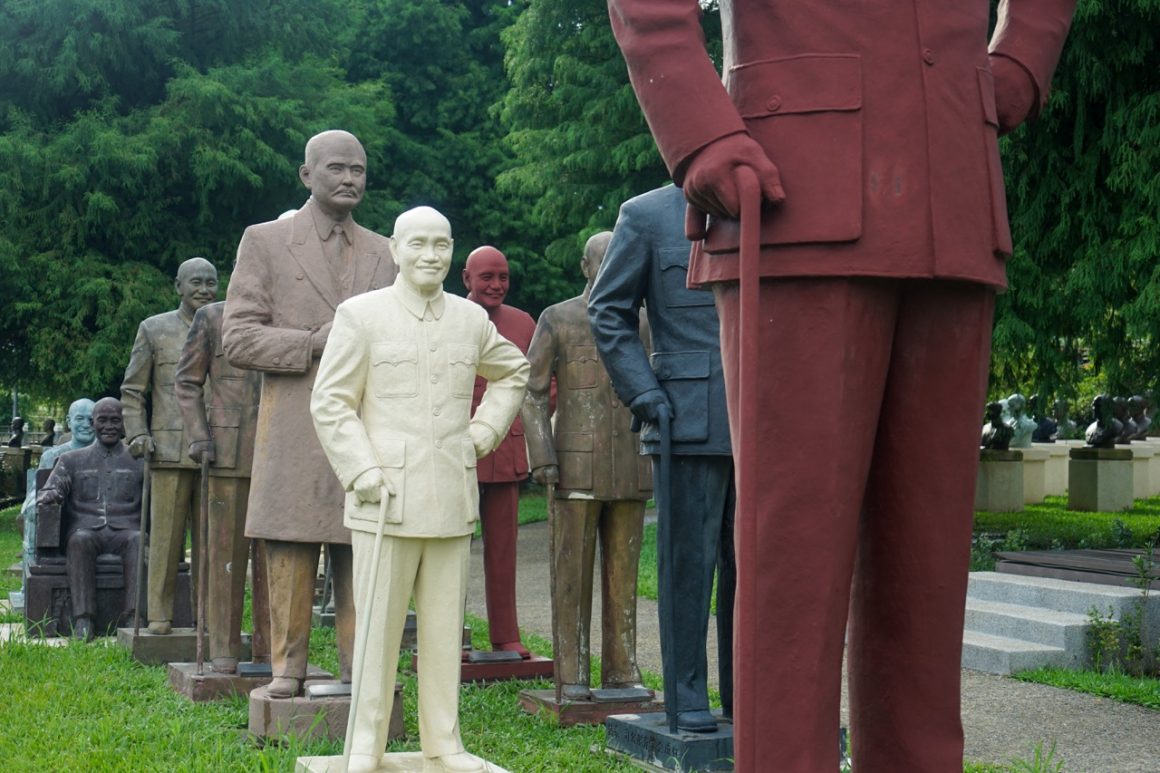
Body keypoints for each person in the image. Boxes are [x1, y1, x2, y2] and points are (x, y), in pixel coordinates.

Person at [607, 1, 1076, 769]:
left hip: (951, 192)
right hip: (792, 190)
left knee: (928, 559)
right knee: (792, 561)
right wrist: (700, 129)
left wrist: (1023, 57)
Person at [311, 206, 528, 773]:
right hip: (384, 498)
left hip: (451, 498)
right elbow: (331, 400)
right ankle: (365, 743)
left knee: (442, 631)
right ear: (395, 250)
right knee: (377, 630)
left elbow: (514, 371)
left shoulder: (470, 320)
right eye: (418, 244)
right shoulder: (361, 316)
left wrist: (482, 433)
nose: (430, 255)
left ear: (452, 250)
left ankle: (445, 741)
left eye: (441, 244)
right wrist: (360, 468)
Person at [222, 129, 398, 698]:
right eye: (337, 169)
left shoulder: (386, 251)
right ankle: (286, 670)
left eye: (359, 170)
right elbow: (239, 338)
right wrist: (313, 343)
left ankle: (360, 670)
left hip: (368, 426)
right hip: (295, 422)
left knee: (363, 547)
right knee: (291, 548)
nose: (350, 179)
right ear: (306, 175)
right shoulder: (267, 241)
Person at [588, 184, 735, 731]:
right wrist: (642, 389)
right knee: (687, 567)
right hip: (686, 415)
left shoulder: (778, 208)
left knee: (759, 567)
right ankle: (687, 694)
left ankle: (748, 693)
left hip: (772, 415)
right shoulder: (648, 215)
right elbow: (608, 311)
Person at [523, 231, 651, 701]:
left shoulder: (645, 321)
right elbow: (531, 391)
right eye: (604, 261)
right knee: (571, 575)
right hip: (574, 467)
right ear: (585, 266)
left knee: (625, 575)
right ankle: (572, 671)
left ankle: (622, 668)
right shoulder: (558, 318)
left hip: (632, 465)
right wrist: (542, 456)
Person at [121, 256, 219, 636]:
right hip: (168, 452)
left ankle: (208, 617)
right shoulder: (154, 329)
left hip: (217, 452)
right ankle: (159, 615)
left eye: (211, 282)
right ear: (178, 286)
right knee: (165, 540)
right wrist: (138, 434)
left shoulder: (226, 327)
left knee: (212, 544)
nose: (204, 290)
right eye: (195, 282)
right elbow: (132, 391)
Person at [175, 300, 269, 673]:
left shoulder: (288, 312)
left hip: (280, 453)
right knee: (224, 556)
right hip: (226, 452)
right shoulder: (212, 316)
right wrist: (198, 435)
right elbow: (186, 381)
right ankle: (224, 649)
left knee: (278, 558)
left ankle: (271, 649)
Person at [463, 245, 537, 656]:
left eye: (503, 277)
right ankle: (450, 634)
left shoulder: (524, 322)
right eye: (487, 277)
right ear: (466, 279)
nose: (496, 285)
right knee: (451, 549)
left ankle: (505, 633)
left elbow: (541, 382)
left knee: (504, 550)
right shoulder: (450, 315)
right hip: (457, 452)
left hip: (506, 451)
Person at [37, 398, 142, 642]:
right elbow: (52, 488)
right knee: (79, 541)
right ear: (92, 423)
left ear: (124, 424)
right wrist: (51, 494)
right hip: (87, 529)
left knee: (138, 540)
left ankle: (133, 617)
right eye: (102, 420)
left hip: (126, 530)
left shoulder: (139, 460)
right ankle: (84, 619)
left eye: (115, 421)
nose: (109, 426)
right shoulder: (72, 460)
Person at [21, 399, 96, 576]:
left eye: (91, 419)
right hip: (61, 518)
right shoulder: (52, 456)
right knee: (36, 511)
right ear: (69, 422)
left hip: (96, 521)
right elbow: (37, 491)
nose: (86, 425)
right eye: (79, 419)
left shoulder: (108, 454)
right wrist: (32, 506)